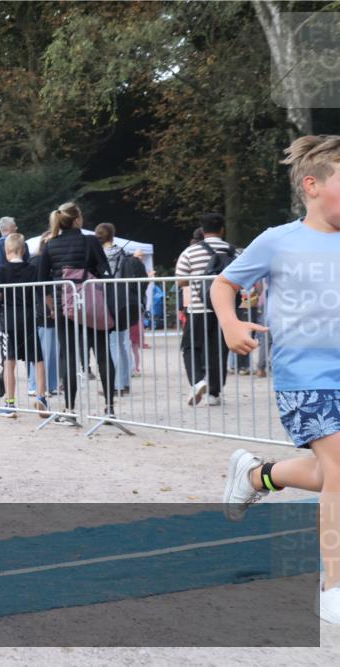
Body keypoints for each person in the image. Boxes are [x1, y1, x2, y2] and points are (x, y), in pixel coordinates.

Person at [215, 134, 340, 623]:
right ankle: (334, 586)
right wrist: (230, 322)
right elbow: (225, 284)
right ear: (312, 185)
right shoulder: (278, 240)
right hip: (305, 377)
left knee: (331, 473)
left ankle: (255, 475)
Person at [37, 202, 115, 421]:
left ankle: (70, 409)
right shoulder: (90, 241)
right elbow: (104, 270)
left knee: (68, 355)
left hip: (64, 305)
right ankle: (109, 408)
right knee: (102, 353)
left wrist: (52, 307)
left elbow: (42, 280)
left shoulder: (50, 245)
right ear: (78, 219)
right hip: (92, 303)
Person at [175, 213, 238, 407]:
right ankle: (215, 393)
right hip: (225, 309)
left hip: (198, 308)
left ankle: (197, 380)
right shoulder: (234, 252)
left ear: (202, 231)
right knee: (219, 350)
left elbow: (180, 280)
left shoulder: (190, 252)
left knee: (190, 347)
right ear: (222, 230)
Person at [0, 234, 48, 418]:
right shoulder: (31, 268)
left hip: (9, 318)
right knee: (37, 360)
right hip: (29, 317)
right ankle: (41, 397)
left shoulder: (2, 270)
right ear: (23, 250)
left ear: (7, 251)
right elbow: (38, 291)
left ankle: (10, 403)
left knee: (9, 361)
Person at [95, 222, 137, 396]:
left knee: (112, 343)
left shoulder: (97, 255)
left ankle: (116, 385)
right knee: (123, 342)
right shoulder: (123, 253)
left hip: (106, 301)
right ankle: (125, 382)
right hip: (123, 300)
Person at [27, 231, 60, 398]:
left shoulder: (52, 261)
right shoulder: (37, 261)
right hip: (42, 312)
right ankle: (36, 385)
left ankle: (51, 385)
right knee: (43, 352)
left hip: (51, 311)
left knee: (53, 351)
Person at [0, 216, 30, 289]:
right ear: (9, 228)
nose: (17, 228)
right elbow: (27, 266)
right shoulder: (19, 244)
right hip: (13, 292)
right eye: (14, 226)